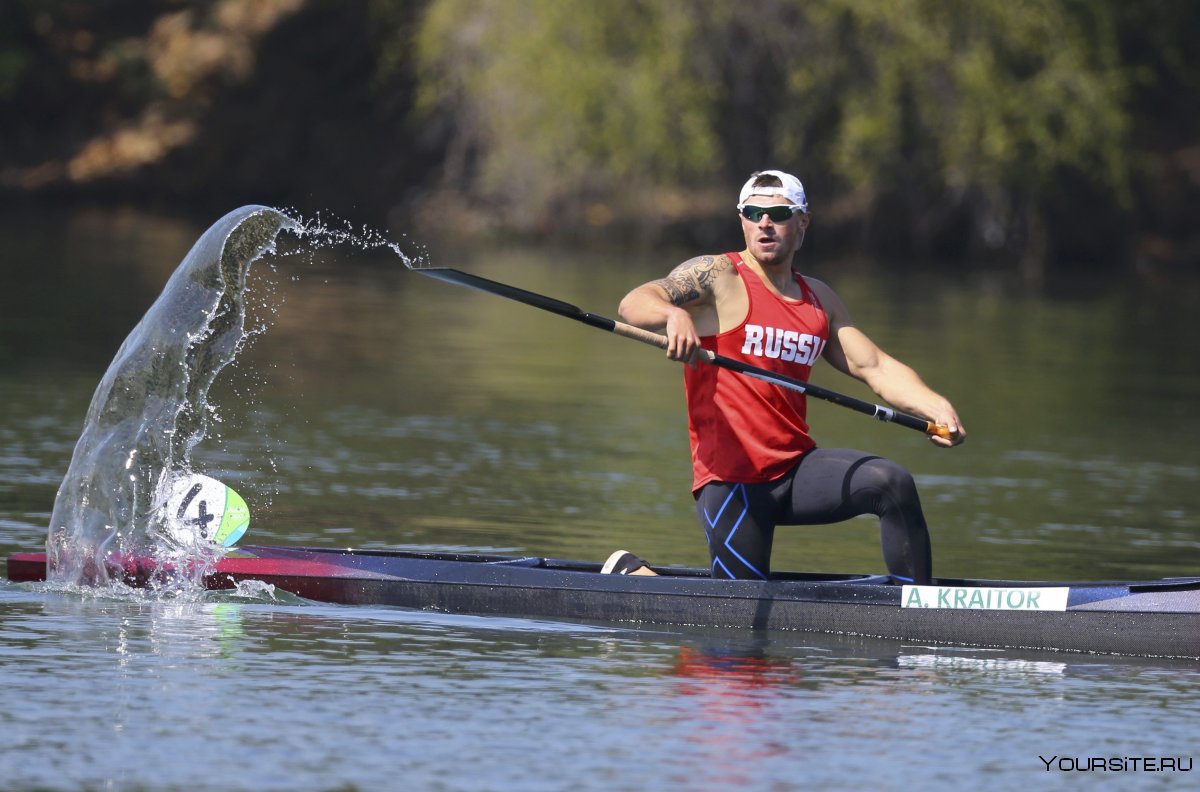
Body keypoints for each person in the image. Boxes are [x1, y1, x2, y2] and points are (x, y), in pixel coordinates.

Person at [602, 169, 964, 584]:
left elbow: (874, 366)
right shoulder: (718, 276)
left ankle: (918, 608)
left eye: (778, 213)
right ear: (742, 220)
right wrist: (673, 314)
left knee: (891, 483)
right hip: (731, 480)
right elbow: (635, 302)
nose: (764, 223)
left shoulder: (818, 300)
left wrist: (934, 405)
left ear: (803, 221)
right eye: (753, 213)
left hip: (795, 471)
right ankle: (637, 575)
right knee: (738, 631)